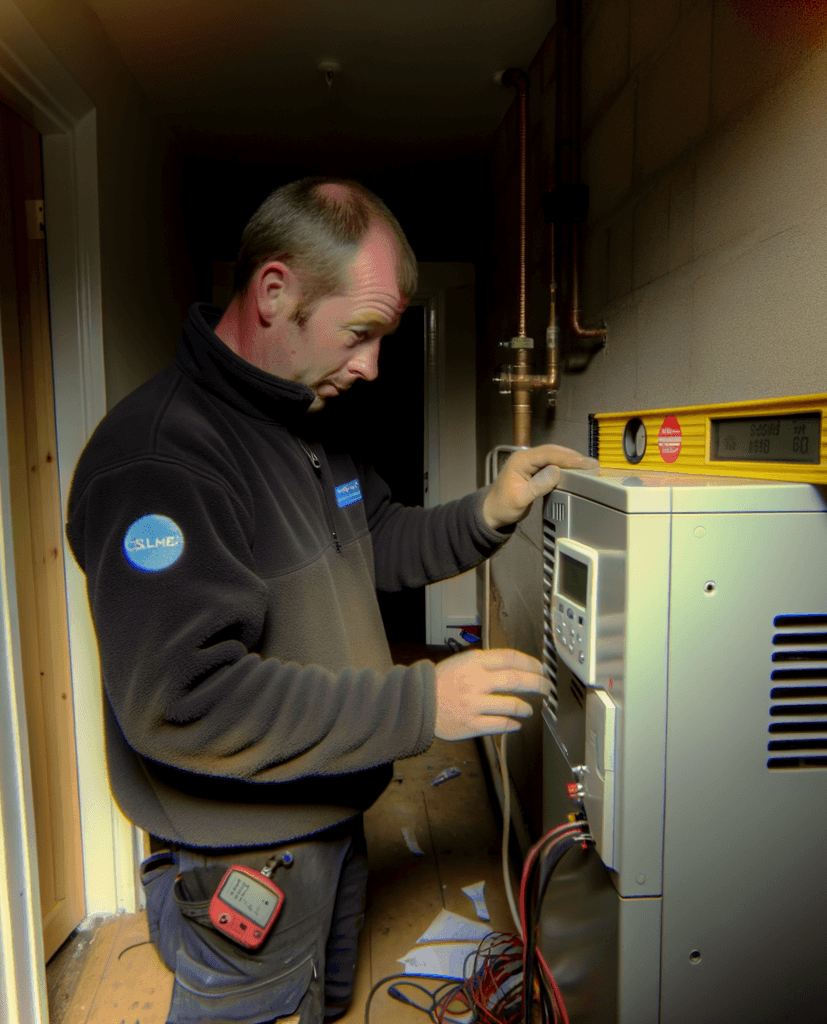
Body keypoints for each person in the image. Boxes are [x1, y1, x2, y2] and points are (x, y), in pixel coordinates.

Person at [65, 177, 594, 1024]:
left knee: (327, 999)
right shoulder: (162, 460)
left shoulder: (308, 419)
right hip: (248, 852)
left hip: (332, 805)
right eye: (361, 333)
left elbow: (373, 540)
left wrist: (488, 513)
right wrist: (423, 701)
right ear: (276, 292)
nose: (372, 366)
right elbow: (182, 702)